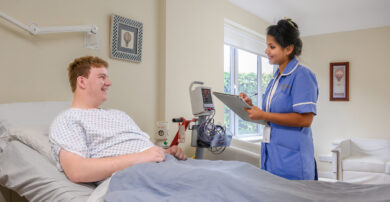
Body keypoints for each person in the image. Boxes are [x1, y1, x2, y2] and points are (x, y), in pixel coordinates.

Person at [49, 56, 187, 183]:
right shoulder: (68, 119)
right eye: (102, 77)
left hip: (169, 165)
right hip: (139, 175)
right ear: (82, 81)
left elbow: (146, 150)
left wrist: (165, 153)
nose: (108, 83)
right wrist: (141, 157)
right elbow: (77, 171)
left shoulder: (119, 115)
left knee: (208, 172)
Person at [240, 18, 319, 180]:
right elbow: (271, 115)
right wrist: (251, 107)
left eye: (272, 47)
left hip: (293, 161)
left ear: (288, 49)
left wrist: (264, 115)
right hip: (272, 156)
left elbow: (305, 119)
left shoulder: (302, 75)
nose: (266, 51)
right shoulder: (275, 79)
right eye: (267, 46)